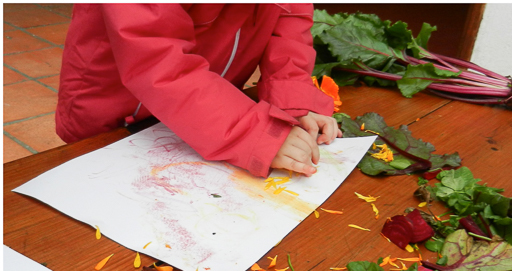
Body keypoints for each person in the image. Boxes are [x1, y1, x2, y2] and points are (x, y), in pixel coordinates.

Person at [55, 4, 341, 177]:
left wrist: (293, 97)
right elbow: (154, 53)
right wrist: (254, 133)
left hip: (208, 110)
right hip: (115, 105)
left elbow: (289, 17)